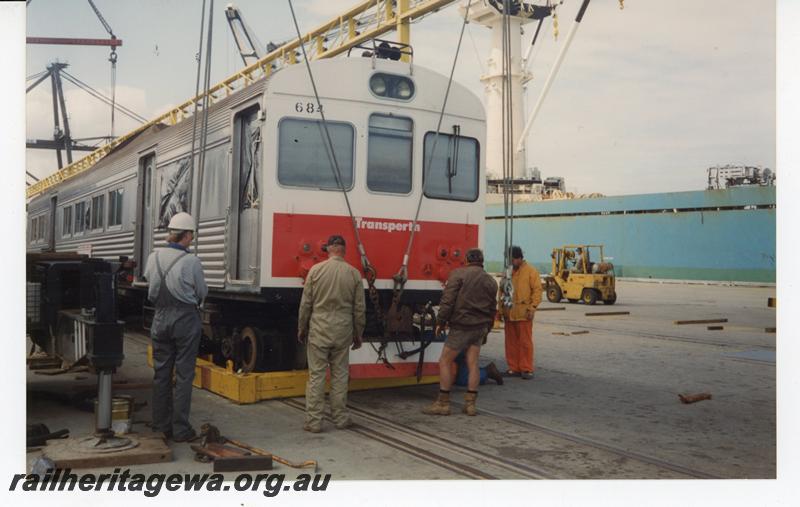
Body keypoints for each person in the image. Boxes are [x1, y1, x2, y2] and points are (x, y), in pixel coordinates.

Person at [143, 212, 208, 442]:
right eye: (192, 235)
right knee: (183, 376)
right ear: (187, 235)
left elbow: (150, 287)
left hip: (159, 318)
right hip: (185, 319)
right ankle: (180, 429)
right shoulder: (192, 261)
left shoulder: (153, 257)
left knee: (161, 374)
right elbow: (202, 293)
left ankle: (160, 427)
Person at [298, 235, 366, 433]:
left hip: (319, 329)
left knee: (316, 376)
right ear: (344, 250)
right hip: (343, 330)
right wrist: (358, 333)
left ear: (328, 249)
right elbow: (359, 309)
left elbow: (306, 304)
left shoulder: (315, 271)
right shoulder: (353, 274)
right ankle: (340, 418)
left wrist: (302, 328)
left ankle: (314, 422)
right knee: (340, 376)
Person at [423, 248, 498, 417]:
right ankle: (470, 405)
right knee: (473, 363)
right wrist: (488, 329)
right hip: (480, 328)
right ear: (482, 261)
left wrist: (440, 322)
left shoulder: (458, 275)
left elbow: (447, 301)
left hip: (461, 327)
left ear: (466, 259)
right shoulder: (491, 281)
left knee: (444, 361)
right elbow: (493, 308)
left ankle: (443, 403)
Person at [500, 246, 542, 380]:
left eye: (512, 259)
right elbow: (502, 291)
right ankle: (513, 368)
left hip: (524, 314)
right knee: (510, 342)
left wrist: (532, 308)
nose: (510, 262)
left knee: (525, 343)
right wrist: (501, 310)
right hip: (509, 313)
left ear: (519, 258)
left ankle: (526, 369)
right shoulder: (508, 272)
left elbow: (537, 291)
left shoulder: (531, 271)